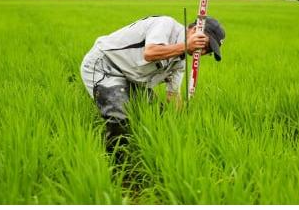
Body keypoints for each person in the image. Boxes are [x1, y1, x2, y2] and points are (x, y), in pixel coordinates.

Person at [80, 15, 225, 153]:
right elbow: (150, 53)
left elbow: (173, 96)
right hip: (105, 65)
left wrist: (184, 124)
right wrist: (186, 46)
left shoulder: (180, 63)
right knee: (119, 117)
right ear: (195, 31)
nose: (204, 52)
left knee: (158, 115)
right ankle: (117, 166)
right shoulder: (166, 24)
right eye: (205, 45)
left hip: (132, 77)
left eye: (209, 51)